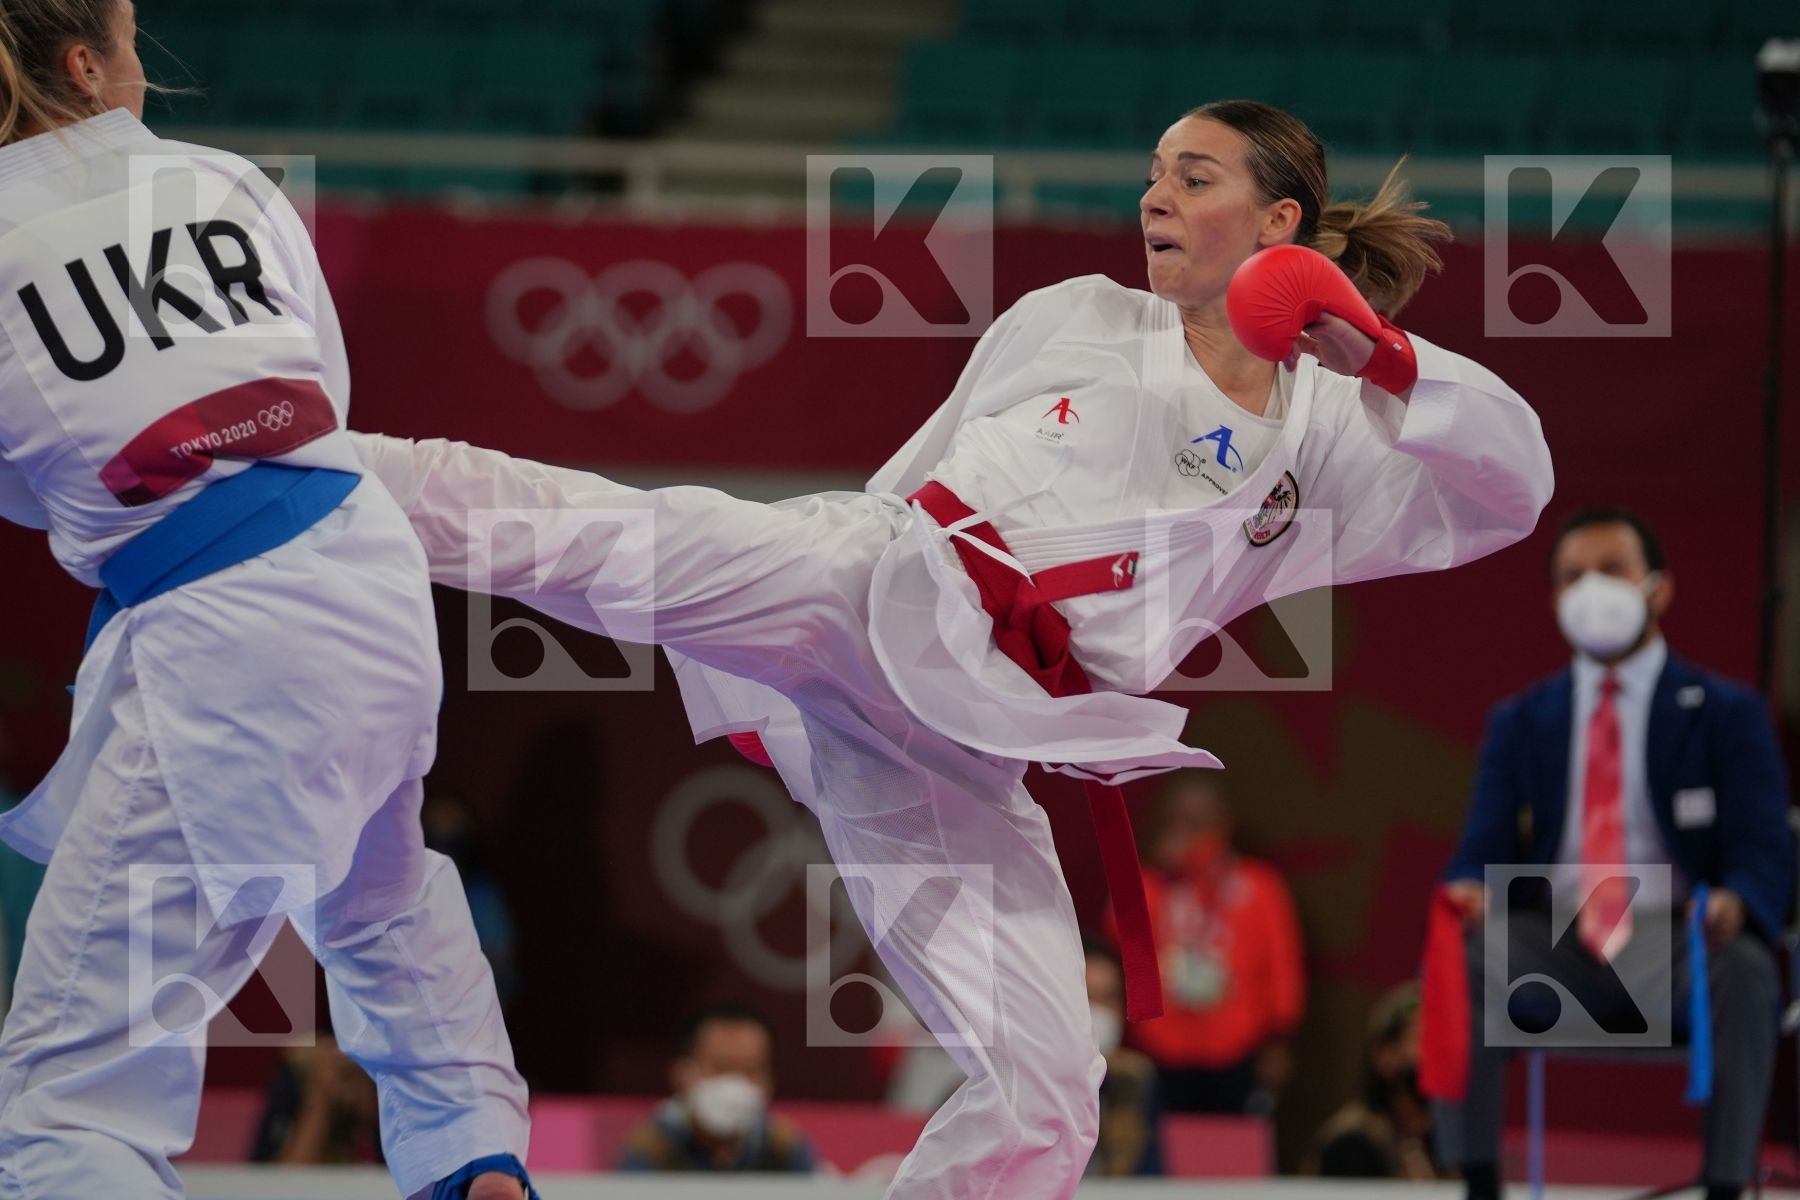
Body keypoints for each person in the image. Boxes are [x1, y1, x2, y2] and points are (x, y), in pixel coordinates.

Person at [350, 98, 1554, 1199]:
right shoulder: (1075, 315)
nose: (1154, 200)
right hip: (874, 582)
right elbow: (912, 477)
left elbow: (1514, 490)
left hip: (975, 744)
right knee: (600, 536)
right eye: (1152, 176)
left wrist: (1384, 357)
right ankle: (321, 472)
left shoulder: (1334, 437)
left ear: (1281, 221)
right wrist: (790, 690)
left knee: (1049, 1098)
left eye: (1192, 179)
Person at [0, 5, 533, 1198]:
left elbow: (26, 487)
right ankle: (472, 1153)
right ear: (85, 66)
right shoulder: (224, 179)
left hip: (216, 628)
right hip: (362, 575)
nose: (147, 71)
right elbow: (316, 395)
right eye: (133, 46)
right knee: (380, 899)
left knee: (66, 1096)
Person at [1431, 508, 1794, 1200]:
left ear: (1659, 587)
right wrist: (1468, 889)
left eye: (1612, 570)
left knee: (1748, 968)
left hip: (1679, 950)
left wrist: (1737, 899)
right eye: (1573, 576)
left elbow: (1766, 848)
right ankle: (1476, 1182)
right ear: (1555, 602)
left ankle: (1724, 1186)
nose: (1592, 588)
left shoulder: (1725, 712)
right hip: (1559, 951)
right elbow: (1479, 849)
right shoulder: (1521, 721)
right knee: (1462, 955)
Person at [1126, 772, 1305, 1116]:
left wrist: (1280, 1040)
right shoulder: (1148, 887)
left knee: (1226, 1159)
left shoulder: (1259, 885)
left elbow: (1283, 965)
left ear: (1223, 822)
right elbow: (1121, 950)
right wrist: (1161, 875)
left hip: (1238, 1045)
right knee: (1166, 1160)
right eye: (1175, 821)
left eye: (1195, 823)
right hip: (1162, 1046)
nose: (1185, 833)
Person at [618, 1003, 816, 1173]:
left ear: (770, 1081)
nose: (735, 1083)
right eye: (720, 1068)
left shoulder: (784, 1147)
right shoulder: (651, 1146)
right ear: (681, 1073)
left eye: (750, 1070)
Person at [1305, 982, 1445, 1180]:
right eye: (1424, 1039)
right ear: (1384, 1056)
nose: (1439, 1054)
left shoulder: (1444, 1141)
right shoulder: (1352, 1144)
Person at [1084, 938, 1165, 1178]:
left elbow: (1148, 1178)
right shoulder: (1022, 1080)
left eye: (1108, 997)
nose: (1097, 1011)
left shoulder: (1136, 1077)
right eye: (1087, 997)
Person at [251, 1035, 383, 1167]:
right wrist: (321, 1100)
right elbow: (277, 1180)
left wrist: (375, 1102)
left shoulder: (391, 1066)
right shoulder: (297, 1069)